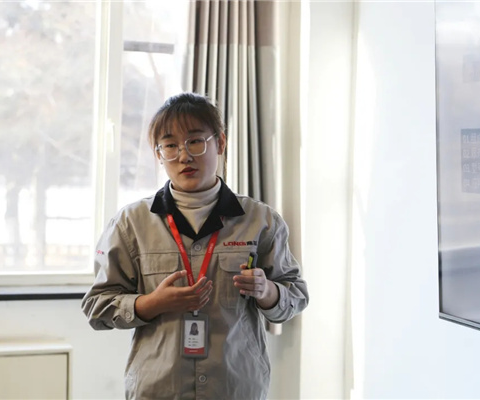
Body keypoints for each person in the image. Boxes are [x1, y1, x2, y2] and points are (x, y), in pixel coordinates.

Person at [81, 92, 309, 400]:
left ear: (220, 143)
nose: (184, 156)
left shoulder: (261, 220)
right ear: (158, 154)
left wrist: (267, 290)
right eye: (170, 145)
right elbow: (97, 306)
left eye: (195, 141)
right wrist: (152, 303)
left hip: (235, 388)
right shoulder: (130, 223)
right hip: (158, 389)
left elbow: (296, 295)